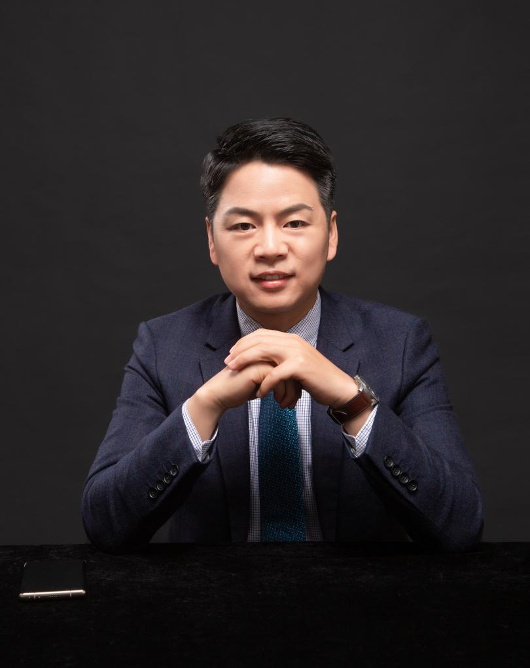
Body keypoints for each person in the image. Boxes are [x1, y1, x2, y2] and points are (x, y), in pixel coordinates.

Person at [81, 117, 484, 553]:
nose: (270, 248)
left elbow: (460, 526)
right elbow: (105, 525)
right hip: (214, 595)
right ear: (212, 240)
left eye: (294, 223)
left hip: (356, 594)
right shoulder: (163, 346)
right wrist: (204, 406)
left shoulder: (400, 342)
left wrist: (353, 402)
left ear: (331, 234)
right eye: (243, 226)